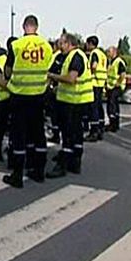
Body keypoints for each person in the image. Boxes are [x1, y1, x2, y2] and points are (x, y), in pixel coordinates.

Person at [2, 15, 53, 188]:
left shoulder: (16, 45)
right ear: (37, 27)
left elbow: (8, 71)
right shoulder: (47, 46)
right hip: (39, 96)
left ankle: (17, 174)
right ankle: (38, 171)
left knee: (19, 136)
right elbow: (49, 69)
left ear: (24, 27)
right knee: (38, 134)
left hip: (19, 96)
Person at [46, 33, 94, 177]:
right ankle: (75, 162)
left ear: (69, 43)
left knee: (68, 134)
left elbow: (71, 78)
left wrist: (52, 76)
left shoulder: (76, 57)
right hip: (77, 100)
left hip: (73, 101)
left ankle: (63, 166)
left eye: (62, 43)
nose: (60, 46)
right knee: (76, 133)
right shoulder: (76, 56)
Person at [85, 36, 107, 141]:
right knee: (99, 107)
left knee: (93, 108)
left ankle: (94, 131)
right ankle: (100, 128)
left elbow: (94, 66)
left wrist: (89, 73)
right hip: (101, 82)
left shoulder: (94, 53)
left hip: (94, 82)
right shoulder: (102, 54)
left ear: (90, 44)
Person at [46, 39, 64, 144]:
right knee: (54, 114)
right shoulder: (59, 56)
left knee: (58, 114)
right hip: (57, 89)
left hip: (64, 90)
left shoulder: (61, 57)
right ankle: (56, 134)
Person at [105, 46, 126, 132]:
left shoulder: (119, 61)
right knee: (114, 105)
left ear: (114, 52)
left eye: (109, 51)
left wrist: (118, 83)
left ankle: (113, 124)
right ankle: (114, 124)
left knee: (112, 106)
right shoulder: (111, 62)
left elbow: (122, 74)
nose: (108, 53)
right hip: (111, 86)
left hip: (116, 87)